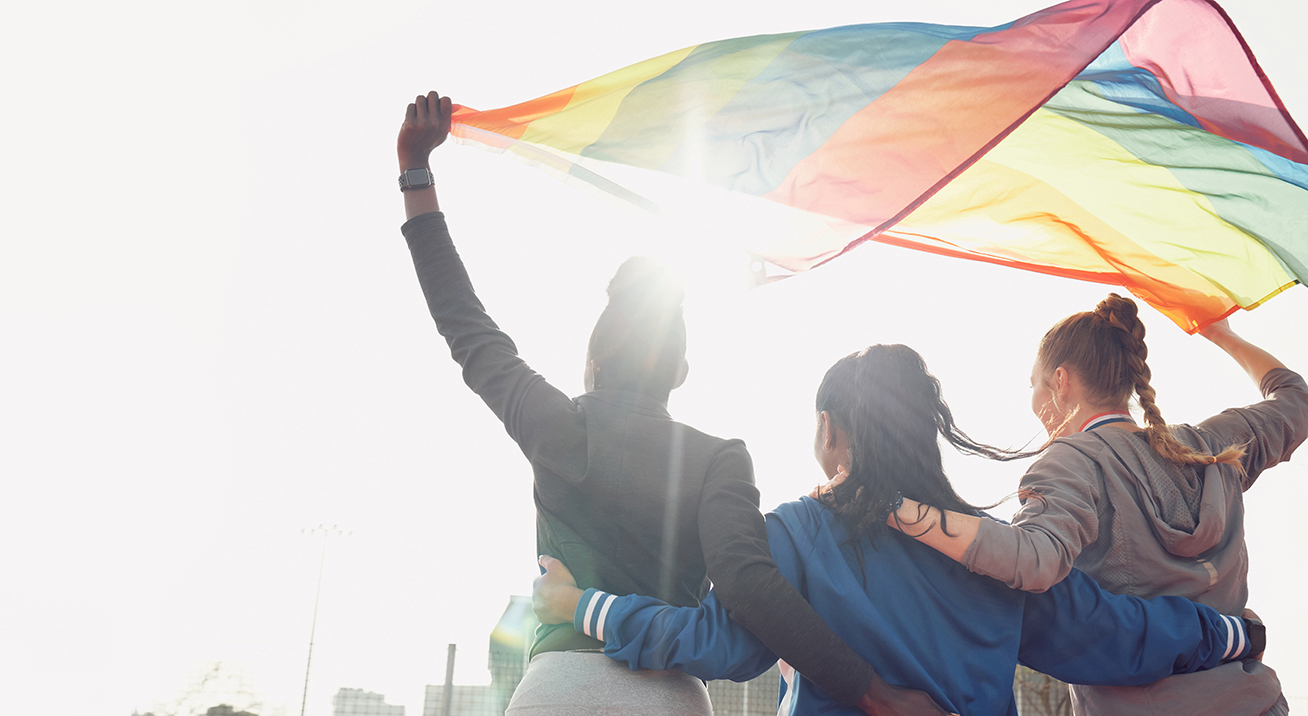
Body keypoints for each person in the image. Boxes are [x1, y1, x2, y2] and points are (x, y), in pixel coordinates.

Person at [395, 91, 951, 715]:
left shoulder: (555, 424)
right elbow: (750, 589)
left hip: (557, 693)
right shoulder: (720, 459)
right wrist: (875, 694)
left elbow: (464, 325)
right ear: (681, 371)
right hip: (672, 698)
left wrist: (415, 170)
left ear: (595, 361)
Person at [532, 344, 1266, 716]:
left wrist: (583, 608)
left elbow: (716, 645)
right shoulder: (994, 556)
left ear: (829, 430)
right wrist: (1233, 636)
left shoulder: (792, 536)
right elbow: (1123, 635)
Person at [884, 295, 1307, 715]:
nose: (1033, 402)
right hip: (1258, 703)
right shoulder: (1210, 447)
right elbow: (1297, 399)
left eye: (1034, 384)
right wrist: (1220, 333)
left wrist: (893, 506)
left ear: (1061, 381)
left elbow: (1033, 559)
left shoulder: (1071, 462)